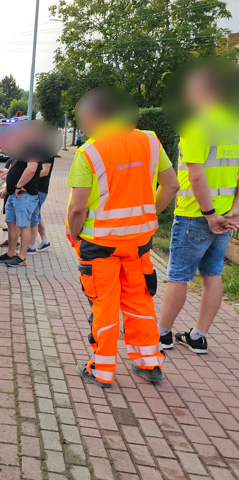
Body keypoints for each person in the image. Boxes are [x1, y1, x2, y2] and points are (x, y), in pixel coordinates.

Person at [66, 87, 179, 388]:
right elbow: (171, 186)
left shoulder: (89, 151)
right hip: (139, 243)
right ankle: (150, 364)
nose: (82, 125)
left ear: (94, 115)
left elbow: (77, 208)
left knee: (104, 303)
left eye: (82, 119)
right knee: (139, 300)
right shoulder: (150, 140)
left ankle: (101, 370)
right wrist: (144, 216)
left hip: (99, 244)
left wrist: (72, 234)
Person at [158, 62, 239, 354]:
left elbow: (196, 174)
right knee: (212, 274)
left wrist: (209, 214)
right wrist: (234, 211)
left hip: (197, 214)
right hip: (226, 216)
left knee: (178, 275)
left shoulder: (197, 125)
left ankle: (162, 335)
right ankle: (198, 336)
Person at [0, 157, 39, 267]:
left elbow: (31, 169)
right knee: (11, 224)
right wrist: (6, 189)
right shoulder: (21, 151)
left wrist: (18, 186)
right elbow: (17, 169)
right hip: (13, 194)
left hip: (24, 194)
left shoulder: (32, 150)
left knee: (24, 225)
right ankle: (10, 253)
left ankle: (21, 257)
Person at [28, 156, 54, 253]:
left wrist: (28, 176)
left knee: (34, 216)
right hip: (37, 189)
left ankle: (31, 246)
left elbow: (45, 171)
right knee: (37, 215)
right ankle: (45, 241)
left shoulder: (47, 154)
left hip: (40, 189)